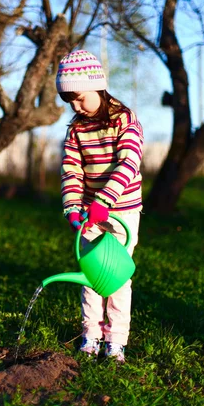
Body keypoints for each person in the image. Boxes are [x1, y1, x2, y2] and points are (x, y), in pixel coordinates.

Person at [56, 49, 143, 363]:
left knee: (117, 278)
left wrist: (105, 201)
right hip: (91, 215)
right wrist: (73, 208)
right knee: (91, 275)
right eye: (71, 102)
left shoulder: (125, 120)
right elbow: (71, 170)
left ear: (98, 86)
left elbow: (129, 162)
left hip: (121, 211)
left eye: (80, 98)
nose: (77, 107)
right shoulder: (76, 130)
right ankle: (91, 335)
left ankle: (116, 340)